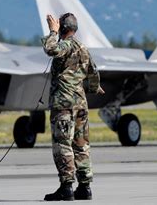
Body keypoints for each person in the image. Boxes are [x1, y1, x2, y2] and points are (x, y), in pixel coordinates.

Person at [41, 13, 104, 201]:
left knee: (63, 144)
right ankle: (85, 187)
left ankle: (66, 186)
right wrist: (94, 88)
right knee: (81, 144)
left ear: (62, 29)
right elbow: (93, 71)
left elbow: (50, 48)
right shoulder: (83, 48)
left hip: (64, 105)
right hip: (80, 104)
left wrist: (52, 31)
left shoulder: (66, 45)